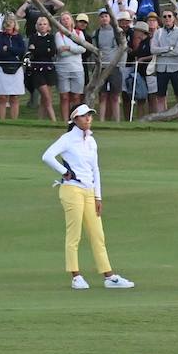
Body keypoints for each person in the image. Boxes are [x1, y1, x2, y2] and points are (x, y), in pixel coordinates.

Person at [41, 104, 134, 290]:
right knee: (74, 234)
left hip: (89, 192)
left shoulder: (91, 141)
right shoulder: (67, 139)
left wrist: (98, 197)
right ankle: (76, 276)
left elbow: (95, 169)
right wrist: (64, 171)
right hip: (71, 190)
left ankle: (109, 276)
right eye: (84, 116)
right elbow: (47, 156)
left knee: (97, 235)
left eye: (90, 116)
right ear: (75, 119)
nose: (88, 119)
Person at [55, 15, 88, 122]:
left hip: (77, 68)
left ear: (71, 20)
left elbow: (83, 49)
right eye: (63, 19)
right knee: (64, 97)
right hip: (63, 68)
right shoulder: (59, 35)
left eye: (67, 18)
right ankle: (65, 120)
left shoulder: (79, 33)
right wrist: (75, 49)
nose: (65, 21)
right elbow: (61, 52)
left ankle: (76, 120)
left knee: (76, 97)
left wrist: (68, 47)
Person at [0, 15, 27, 120]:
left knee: (15, 96)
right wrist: (13, 51)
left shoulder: (19, 37)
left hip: (16, 68)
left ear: (14, 24)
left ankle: (14, 121)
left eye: (10, 24)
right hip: (1, 67)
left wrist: (8, 48)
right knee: (2, 97)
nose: (8, 27)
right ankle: (2, 121)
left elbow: (21, 51)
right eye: (6, 25)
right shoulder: (0, 37)